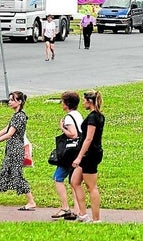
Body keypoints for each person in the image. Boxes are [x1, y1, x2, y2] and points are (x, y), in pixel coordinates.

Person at [0, 91, 36, 211]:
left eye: (12, 100)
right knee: (3, 174)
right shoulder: (16, 115)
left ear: (19, 102)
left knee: (17, 176)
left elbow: (9, 134)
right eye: (9, 100)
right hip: (11, 150)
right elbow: (6, 129)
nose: (9, 102)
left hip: (15, 150)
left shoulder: (20, 116)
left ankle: (31, 202)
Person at [70, 90, 105, 223]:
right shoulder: (98, 116)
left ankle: (96, 219)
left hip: (90, 154)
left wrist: (79, 156)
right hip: (89, 154)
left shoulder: (93, 118)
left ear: (90, 102)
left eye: (84, 100)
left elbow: (89, 139)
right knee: (74, 181)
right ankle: (83, 214)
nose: (83, 102)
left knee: (92, 187)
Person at [51, 91, 84, 220]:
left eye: (62, 101)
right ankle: (76, 210)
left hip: (69, 152)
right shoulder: (78, 115)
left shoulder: (69, 117)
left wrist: (62, 128)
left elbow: (73, 134)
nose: (61, 104)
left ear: (67, 104)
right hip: (78, 150)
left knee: (58, 177)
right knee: (73, 181)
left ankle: (65, 207)